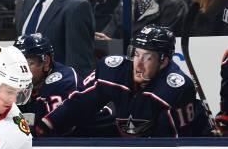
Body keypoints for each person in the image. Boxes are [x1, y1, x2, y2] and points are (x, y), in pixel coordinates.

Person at [43, 25, 208, 137]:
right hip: (127, 138)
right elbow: (78, 104)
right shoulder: (113, 69)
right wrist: (45, 127)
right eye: (136, 54)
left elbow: (172, 147)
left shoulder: (175, 88)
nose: (138, 64)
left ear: (163, 61)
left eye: (148, 57)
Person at [14, 33, 114, 137]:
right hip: (73, 143)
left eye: (27, 64)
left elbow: (50, 130)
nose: (20, 71)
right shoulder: (17, 83)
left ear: (46, 62)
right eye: (17, 64)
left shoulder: (63, 80)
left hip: (101, 138)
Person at [14, 0, 95, 77]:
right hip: (25, 84)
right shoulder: (29, 0)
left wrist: (73, 88)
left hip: (57, 86)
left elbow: (78, 62)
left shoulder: (77, 5)